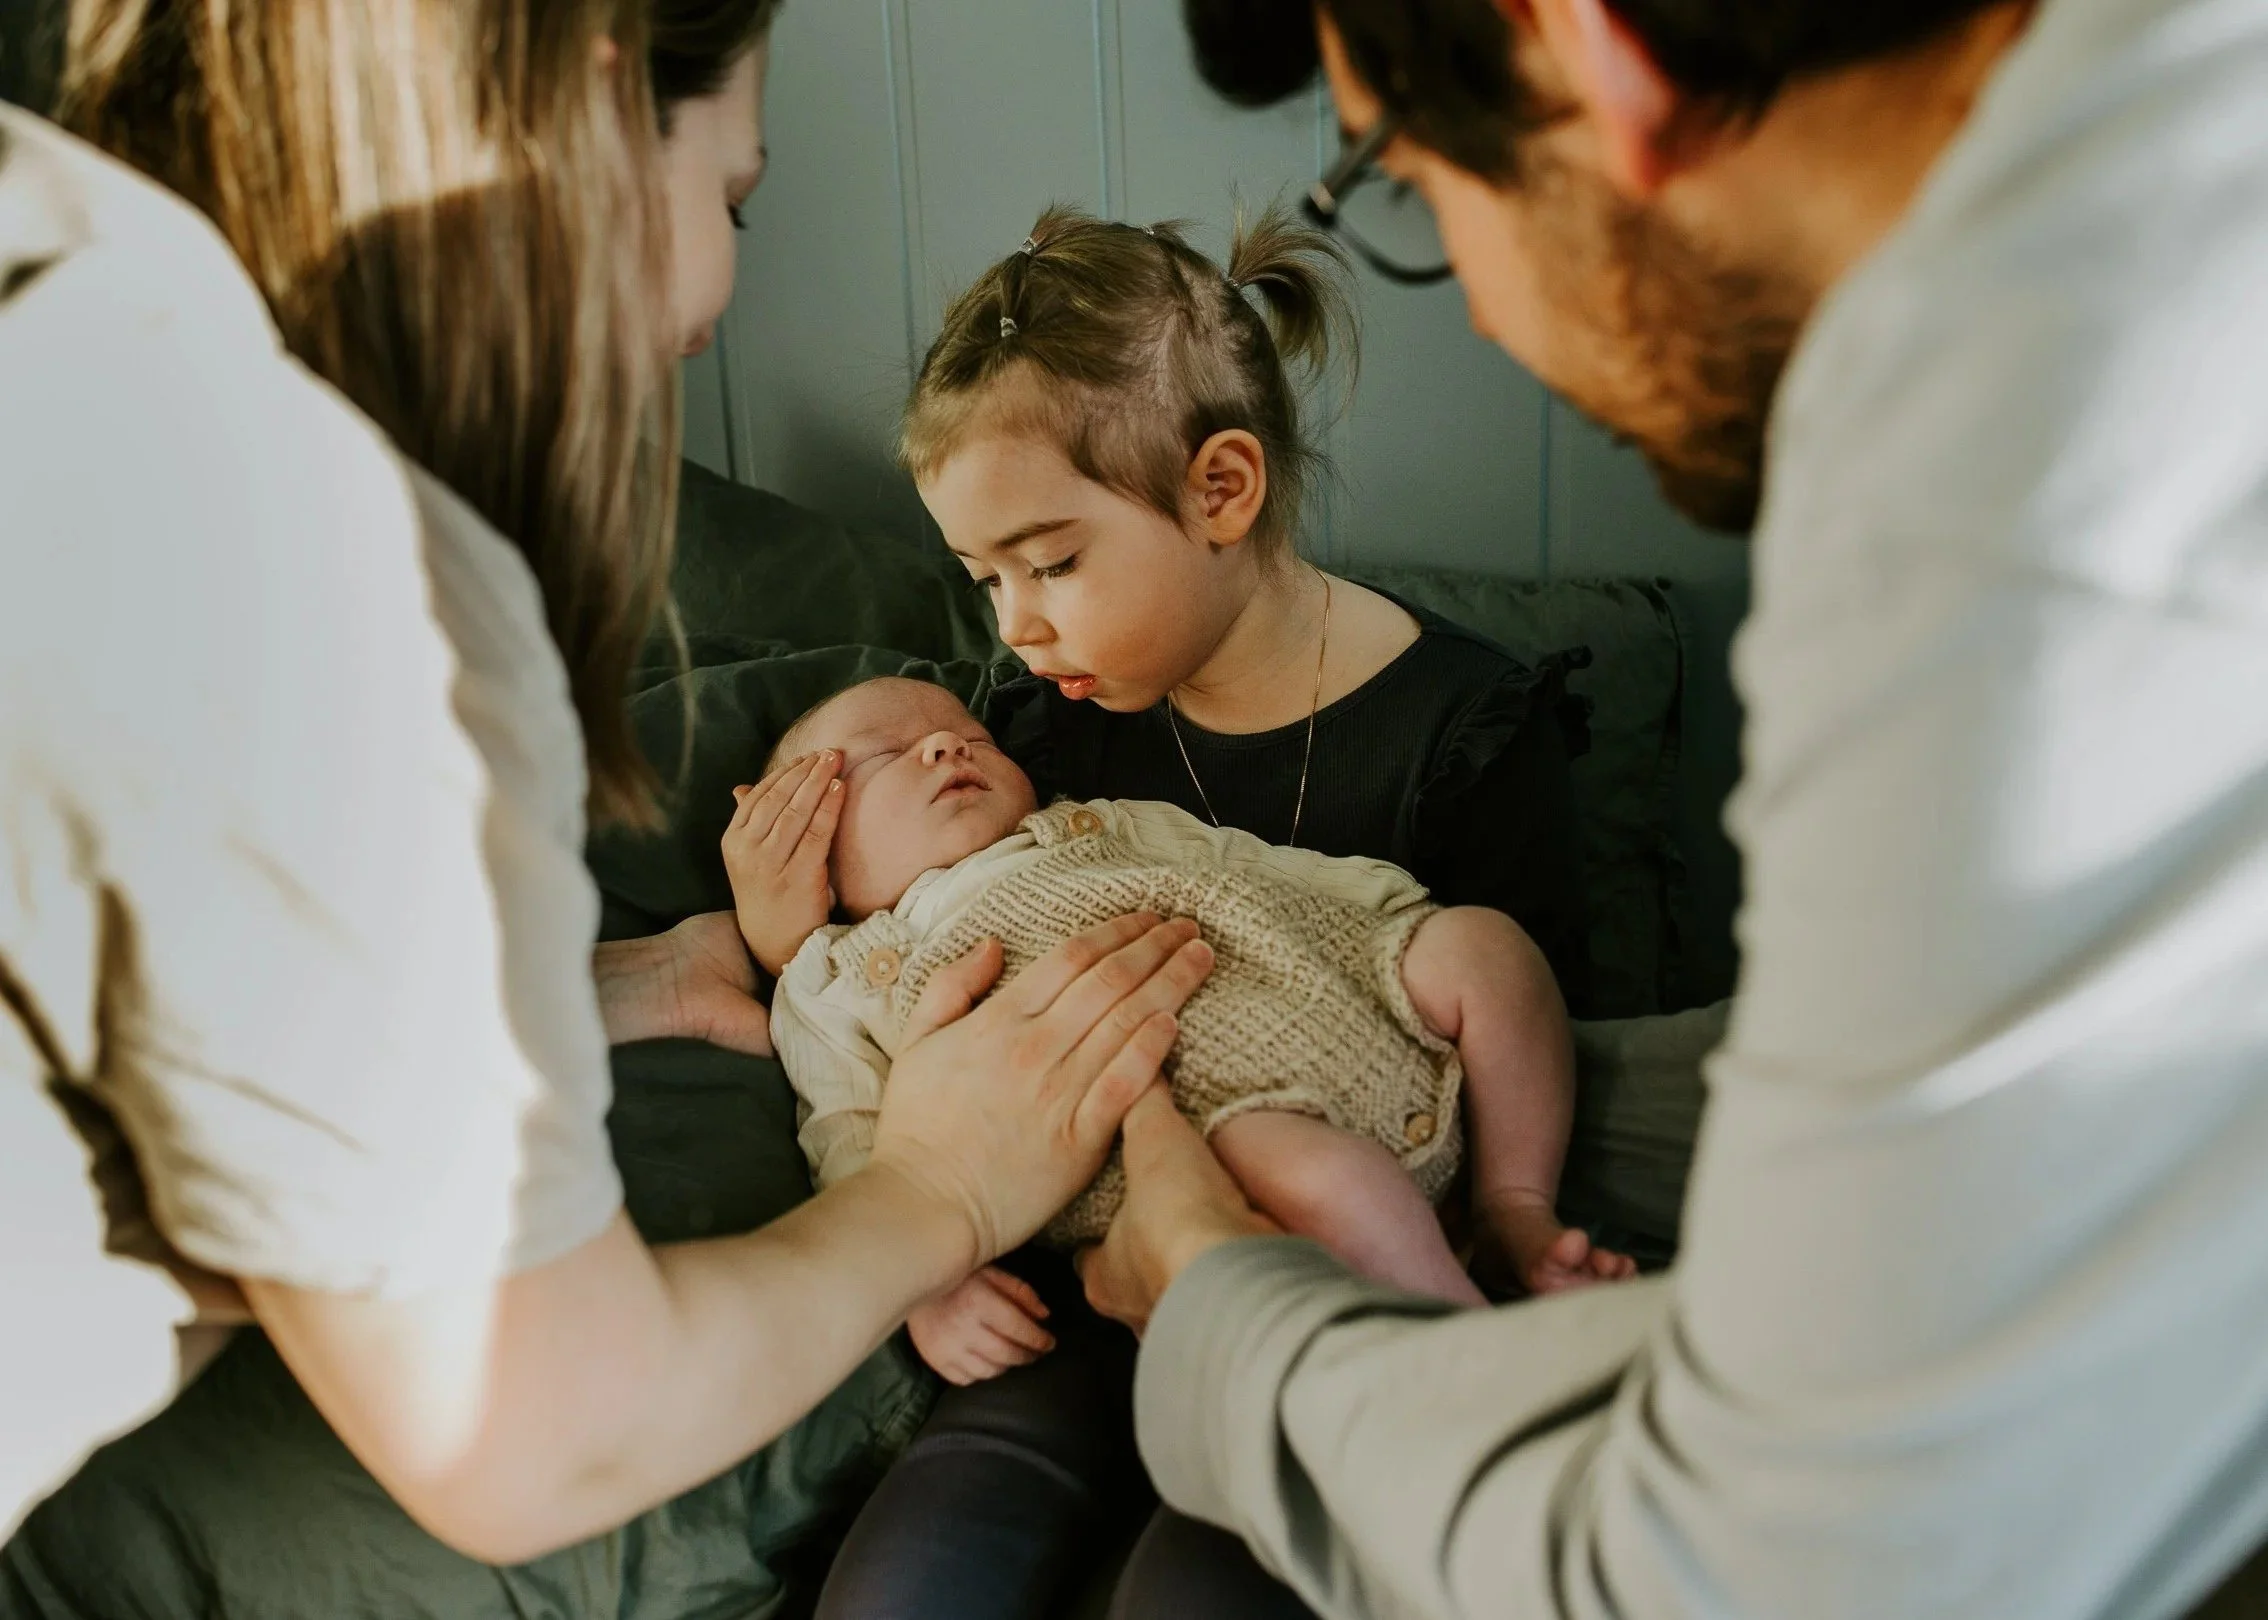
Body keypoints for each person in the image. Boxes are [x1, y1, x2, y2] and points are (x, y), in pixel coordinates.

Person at [1072, 0, 2268, 1616]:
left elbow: (1728, 1577)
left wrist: (1212, 1301)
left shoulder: (2014, 460)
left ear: (1576, 43)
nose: (1486, 322)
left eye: (1413, 189)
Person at [0, 0, 1214, 1559]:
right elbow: (531, 1433)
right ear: (580, 102)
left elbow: (168, 1023)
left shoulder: (72, 299)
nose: (711, 302)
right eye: (732, 198)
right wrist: (937, 1188)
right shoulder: (330, 563)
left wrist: (624, 984)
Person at [730, 674, 1631, 1307]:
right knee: (1317, 1173)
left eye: (974, 738)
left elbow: (1258, 864)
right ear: (798, 830)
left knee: (1486, 948)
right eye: (889, 754)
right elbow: (850, 1142)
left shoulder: (1099, 820)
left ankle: (1516, 1207)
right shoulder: (834, 976)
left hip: (1322, 980)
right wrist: (919, 1291)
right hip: (1219, 1114)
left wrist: (1386, 916)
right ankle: (1463, 1333)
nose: (944, 744)